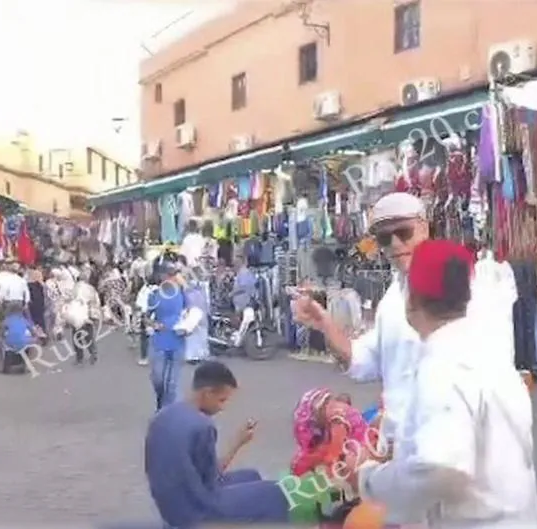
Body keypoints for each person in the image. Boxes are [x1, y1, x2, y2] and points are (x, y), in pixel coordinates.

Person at [292, 192, 510, 453]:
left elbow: (486, 382)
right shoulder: (393, 299)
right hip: (401, 452)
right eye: (384, 238)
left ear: (424, 228)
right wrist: (325, 323)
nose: (395, 244)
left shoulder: (468, 287)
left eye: (404, 232)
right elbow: (361, 360)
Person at [349, 239, 537, 528]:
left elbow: (440, 467)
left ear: (411, 300)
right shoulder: (489, 354)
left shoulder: (444, 366)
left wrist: (369, 479)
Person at [145, 360, 289, 528]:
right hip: (195, 511)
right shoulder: (202, 426)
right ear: (207, 393)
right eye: (222, 400)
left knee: (251, 475)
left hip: (169, 503)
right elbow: (214, 477)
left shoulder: (163, 415)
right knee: (275, 493)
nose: (223, 407)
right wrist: (237, 443)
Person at [146, 262, 187, 410]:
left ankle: (165, 410)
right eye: (170, 275)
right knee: (158, 379)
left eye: (174, 275)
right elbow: (146, 317)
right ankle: (161, 402)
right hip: (160, 342)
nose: (173, 278)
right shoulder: (155, 295)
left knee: (172, 383)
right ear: (162, 276)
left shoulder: (182, 293)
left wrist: (188, 324)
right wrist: (154, 324)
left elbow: (192, 311)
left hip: (177, 339)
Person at [70, 269, 101, 365]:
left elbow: (71, 301)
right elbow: (97, 302)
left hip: (77, 315)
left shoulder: (75, 288)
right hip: (88, 315)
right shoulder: (91, 288)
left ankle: (79, 358)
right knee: (89, 336)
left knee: (76, 336)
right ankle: (93, 354)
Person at [0, 302, 36, 373]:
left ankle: (3, 365)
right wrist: (34, 337)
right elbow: (33, 332)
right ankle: (27, 365)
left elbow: (1, 333)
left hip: (10, 343)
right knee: (33, 344)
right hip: (24, 342)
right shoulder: (24, 320)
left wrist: (2, 337)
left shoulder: (7, 320)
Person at [27, 268, 46, 337]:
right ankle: (42, 332)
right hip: (40, 304)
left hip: (33, 304)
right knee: (40, 319)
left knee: (34, 319)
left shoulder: (29, 285)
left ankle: (37, 333)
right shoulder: (41, 285)